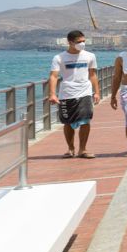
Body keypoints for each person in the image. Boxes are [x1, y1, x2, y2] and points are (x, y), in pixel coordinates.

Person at [48, 30, 100, 159]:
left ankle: (83, 149)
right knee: (68, 123)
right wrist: (52, 94)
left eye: (83, 41)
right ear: (70, 42)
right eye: (78, 42)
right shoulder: (59, 58)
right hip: (67, 93)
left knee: (85, 121)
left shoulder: (90, 56)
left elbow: (93, 74)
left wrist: (97, 92)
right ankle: (70, 148)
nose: (82, 44)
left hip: (85, 92)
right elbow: (53, 76)